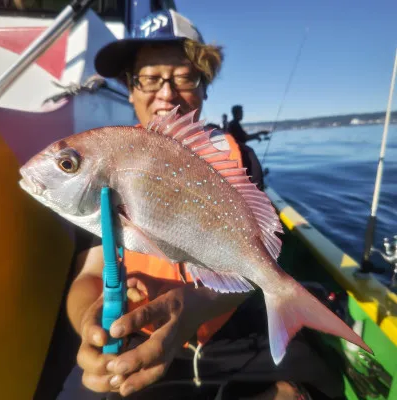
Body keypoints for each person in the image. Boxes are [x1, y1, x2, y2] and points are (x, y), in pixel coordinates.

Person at [58, 9, 346, 400]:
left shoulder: (233, 159)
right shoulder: (105, 165)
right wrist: (90, 328)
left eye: (184, 77)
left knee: (314, 388)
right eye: (149, 78)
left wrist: (193, 306)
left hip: (230, 334)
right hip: (139, 339)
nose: (165, 93)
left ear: (204, 87)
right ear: (129, 88)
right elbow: (88, 277)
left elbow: (256, 260)